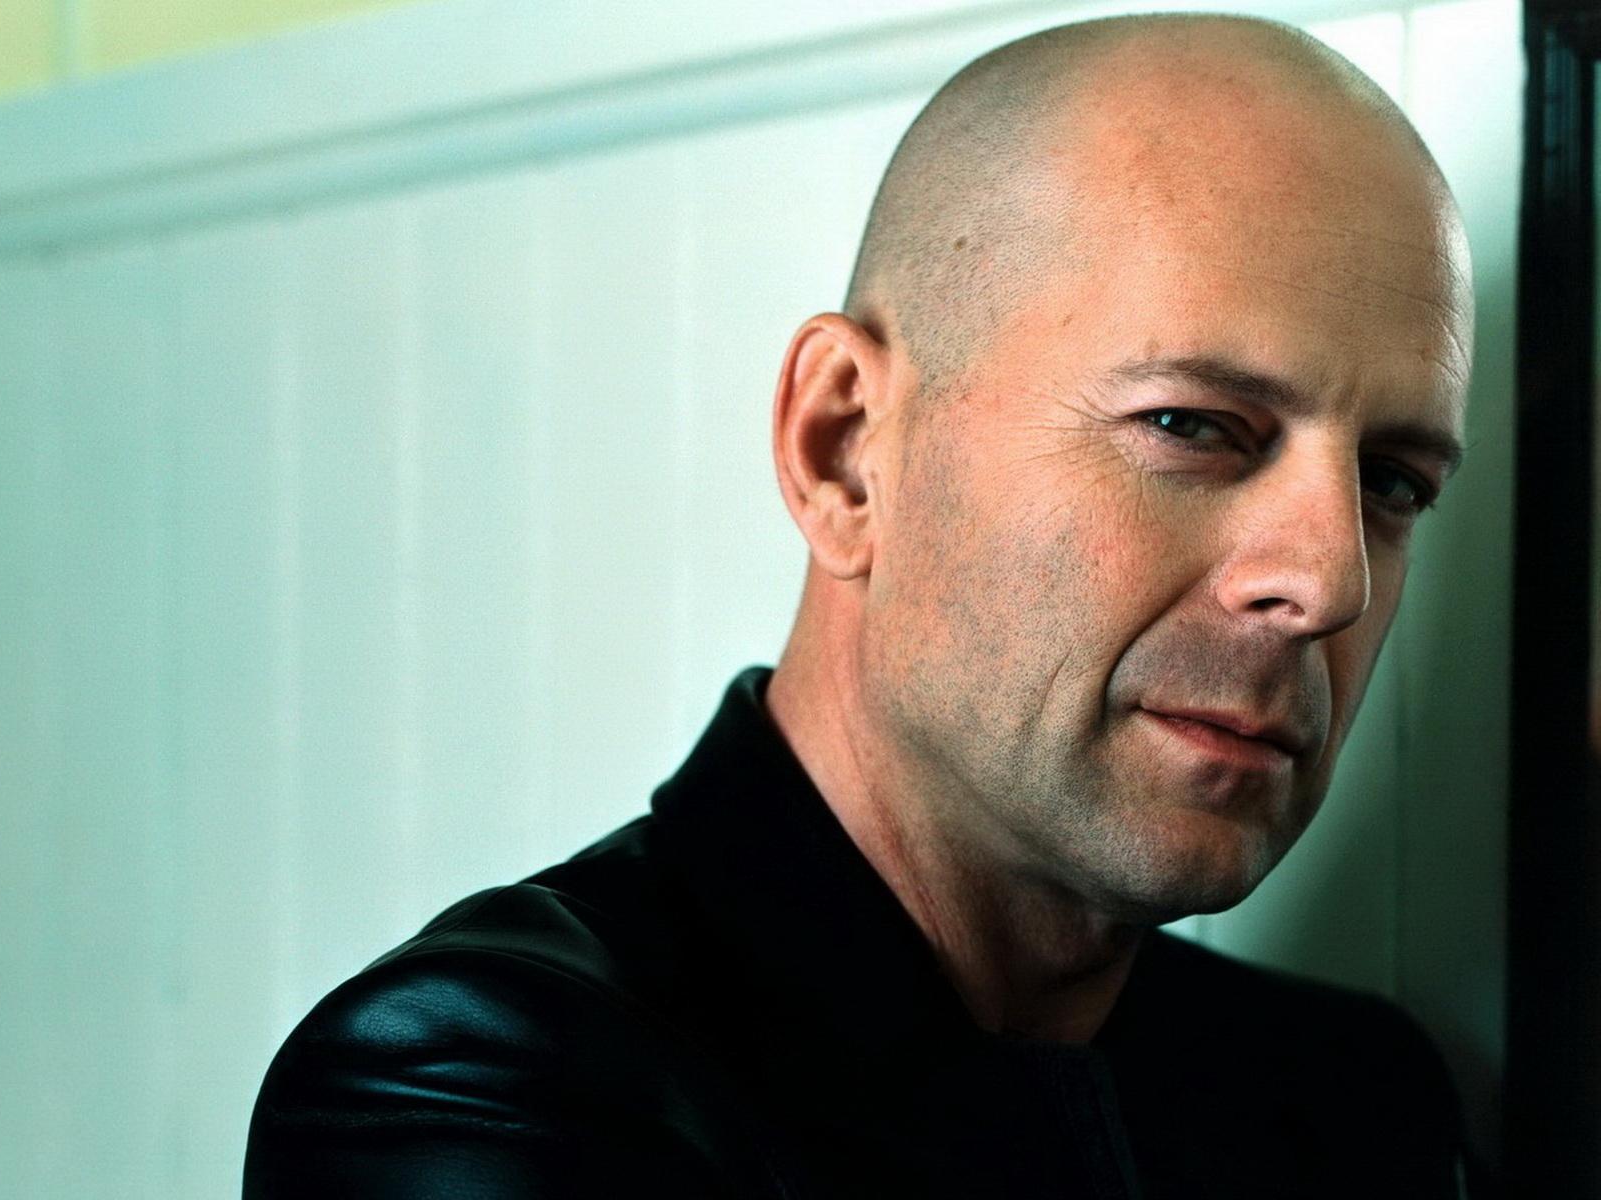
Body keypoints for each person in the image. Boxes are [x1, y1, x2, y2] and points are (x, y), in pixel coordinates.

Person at [244, 11, 1482, 1197]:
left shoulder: (1355, 1104)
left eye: (1392, 482)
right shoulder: (487, 1078)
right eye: (1191, 426)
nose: (1329, 584)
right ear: (842, 451)